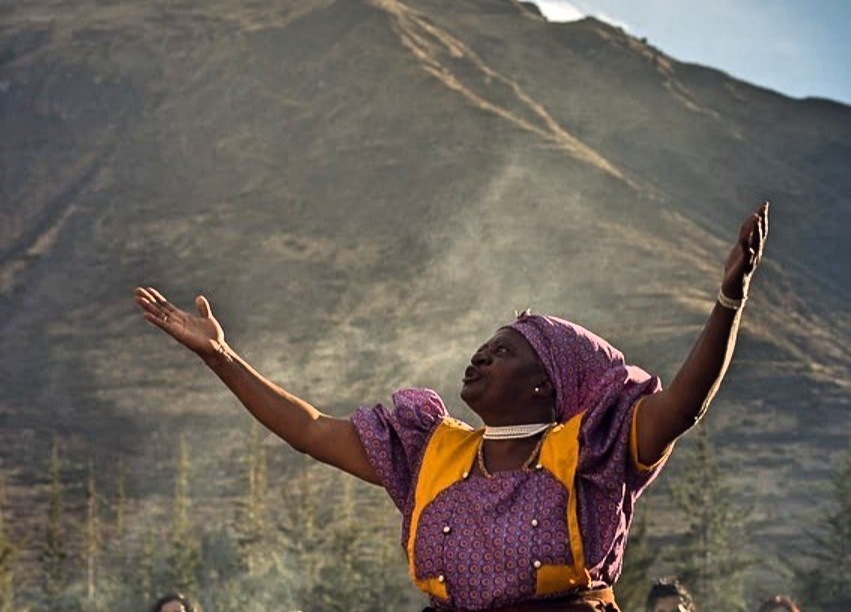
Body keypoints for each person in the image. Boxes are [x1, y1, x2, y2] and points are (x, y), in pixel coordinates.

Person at [134, 203, 769, 612]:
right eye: (482, 348)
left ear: (545, 384)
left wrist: (728, 301)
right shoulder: (429, 450)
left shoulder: (590, 450)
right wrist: (220, 356)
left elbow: (684, 405)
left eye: (503, 351)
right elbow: (306, 429)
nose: (481, 358)